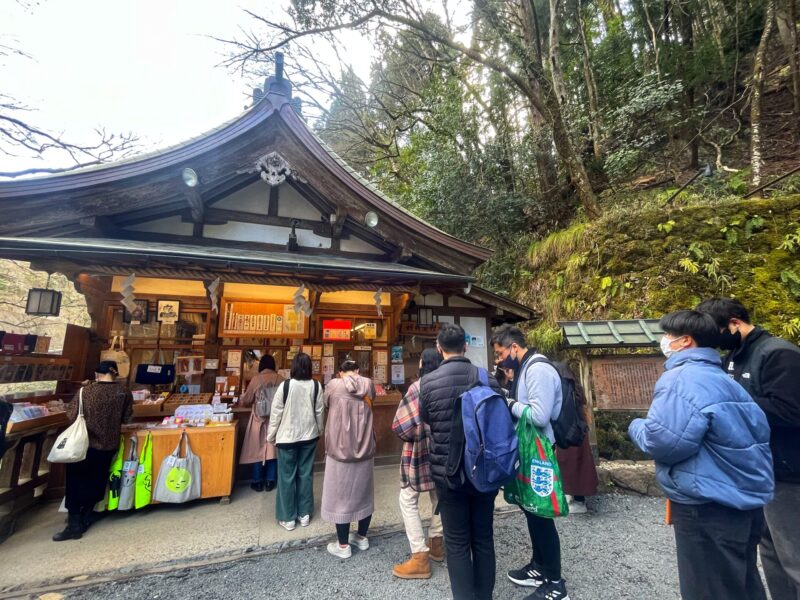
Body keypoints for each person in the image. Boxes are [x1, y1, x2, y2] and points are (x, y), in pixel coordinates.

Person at [628, 309, 774, 600]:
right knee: (741, 585)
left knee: (708, 590)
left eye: (669, 335)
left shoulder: (681, 379)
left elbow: (665, 443)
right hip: (740, 500)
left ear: (685, 342)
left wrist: (636, 426)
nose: (664, 340)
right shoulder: (722, 377)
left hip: (706, 506)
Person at [697, 297, 800, 599]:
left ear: (734, 322)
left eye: (716, 332)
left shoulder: (779, 354)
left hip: (787, 471)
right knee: (770, 552)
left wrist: (732, 404)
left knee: (793, 553)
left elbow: (791, 410)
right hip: (757, 471)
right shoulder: (734, 355)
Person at [419, 323, 504, 600]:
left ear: (438, 348)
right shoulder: (487, 378)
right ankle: (484, 596)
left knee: (456, 543)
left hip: (449, 473)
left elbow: (427, 420)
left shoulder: (429, 383)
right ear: (465, 346)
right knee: (483, 538)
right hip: (484, 472)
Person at [491, 324, 569, 600]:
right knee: (531, 511)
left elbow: (539, 416)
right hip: (530, 452)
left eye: (500, 354)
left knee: (541, 515)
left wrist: (509, 402)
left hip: (541, 454)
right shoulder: (525, 368)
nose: (499, 360)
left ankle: (556, 584)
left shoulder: (537, 369)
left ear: (514, 347)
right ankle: (539, 566)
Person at [54, 360, 132, 541]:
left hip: (83, 444)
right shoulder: (123, 392)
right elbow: (127, 418)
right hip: (108, 443)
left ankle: (74, 524)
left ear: (97, 374)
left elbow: (71, 415)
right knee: (98, 481)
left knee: (75, 482)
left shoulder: (85, 392)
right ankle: (87, 515)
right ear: (115, 373)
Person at [391, 348, 445, 579]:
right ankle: (436, 543)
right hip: (443, 452)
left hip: (419, 451)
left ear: (422, 363)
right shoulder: (445, 384)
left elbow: (400, 426)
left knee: (407, 499)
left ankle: (419, 556)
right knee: (438, 497)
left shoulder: (418, 387)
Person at [322, 360, 376, 559]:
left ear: (339, 372)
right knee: (364, 492)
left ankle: (343, 545)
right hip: (364, 447)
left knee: (340, 496)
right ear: (358, 370)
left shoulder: (334, 385)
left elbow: (326, 404)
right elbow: (373, 401)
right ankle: (361, 537)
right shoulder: (368, 384)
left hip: (339, 449)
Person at [266, 352, 324, 531]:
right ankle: (304, 514)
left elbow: (275, 414)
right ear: (309, 368)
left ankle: (288, 517)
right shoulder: (316, 385)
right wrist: (320, 431)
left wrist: (271, 436)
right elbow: (320, 412)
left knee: (286, 477)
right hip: (309, 436)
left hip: (287, 438)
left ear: (293, 368)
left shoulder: (285, 386)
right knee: (305, 475)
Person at [239, 354, 283, 492]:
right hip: (276, 419)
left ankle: (257, 481)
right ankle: (271, 480)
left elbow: (246, 400)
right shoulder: (280, 379)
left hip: (258, 419)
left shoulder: (256, 380)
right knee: (273, 449)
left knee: (256, 449)